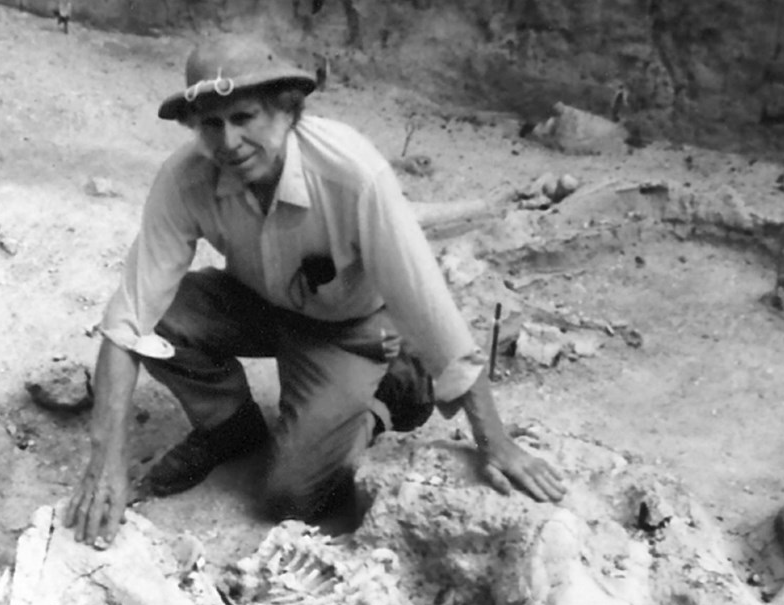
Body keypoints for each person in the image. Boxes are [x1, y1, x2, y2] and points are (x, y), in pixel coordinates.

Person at [66, 35, 565, 546]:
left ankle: (390, 394)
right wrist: (106, 463)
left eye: (245, 117)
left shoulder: (352, 172)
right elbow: (127, 322)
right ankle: (229, 430)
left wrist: (496, 441)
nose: (229, 142)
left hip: (345, 328)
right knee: (163, 316)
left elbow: (427, 305)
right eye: (211, 125)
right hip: (255, 303)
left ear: (286, 111)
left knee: (289, 500)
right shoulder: (184, 179)